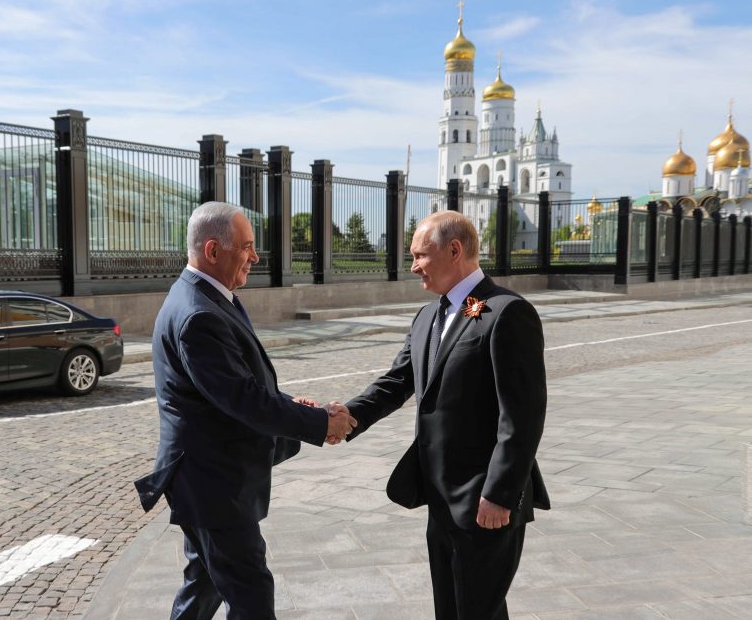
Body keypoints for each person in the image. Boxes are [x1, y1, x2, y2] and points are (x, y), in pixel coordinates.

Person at [134, 201, 356, 620]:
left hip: (207, 481)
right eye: (247, 247)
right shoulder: (199, 314)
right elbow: (243, 400)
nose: (255, 257)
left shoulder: (208, 296)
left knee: (203, 586)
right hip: (213, 484)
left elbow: (236, 387)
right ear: (213, 250)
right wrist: (320, 421)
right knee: (252, 595)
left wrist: (291, 405)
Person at [335, 210, 549, 619]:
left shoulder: (505, 313)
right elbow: (396, 383)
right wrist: (345, 415)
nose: (413, 266)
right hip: (440, 497)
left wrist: (499, 494)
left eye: (420, 255)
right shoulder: (430, 316)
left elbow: (522, 417)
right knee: (452, 609)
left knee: (478, 610)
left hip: (485, 500)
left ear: (454, 250)